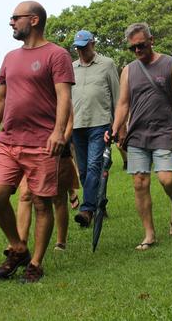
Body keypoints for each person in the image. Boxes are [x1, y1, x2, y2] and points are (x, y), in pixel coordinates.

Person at [0, 1, 74, 283]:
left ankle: (35, 263)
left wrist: (59, 132)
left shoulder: (56, 55)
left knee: (42, 203)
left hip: (42, 142)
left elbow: (64, 98)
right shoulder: (10, 57)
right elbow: (0, 98)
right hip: (8, 140)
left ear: (33, 20)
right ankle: (18, 247)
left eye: (15, 17)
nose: (11, 22)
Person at [108, 22, 172, 251]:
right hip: (138, 133)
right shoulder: (128, 70)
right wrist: (116, 128)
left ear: (151, 40)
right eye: (132, 48)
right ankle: (149, 233)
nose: (137, 51)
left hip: (165, 130)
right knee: (139, 183)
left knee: (166, 179)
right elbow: (123, 103)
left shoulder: (170, 64)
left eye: (141, 45)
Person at [70, 30, 119, 228]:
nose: (81, 51)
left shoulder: (107, 64)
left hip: (100, 123)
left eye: (85, 47)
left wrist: (118, 126)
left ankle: (87, 209)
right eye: (78, 48)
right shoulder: (71, 67)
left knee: (93, 167)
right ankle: (100, 202)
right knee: (83, 171)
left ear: (93, 44)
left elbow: (117, 96)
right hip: (76, 125)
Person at [14, 108, 77, 251]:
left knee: (59, 198)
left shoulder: (60, 91)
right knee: (25, 194)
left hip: (57, 152)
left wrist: (61, 142)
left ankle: (61, 241)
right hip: (30, 151)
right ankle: (20, 243)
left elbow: (70, 123)